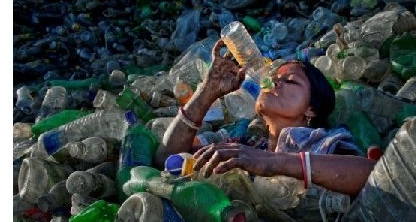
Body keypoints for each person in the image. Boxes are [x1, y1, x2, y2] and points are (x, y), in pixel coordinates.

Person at [155, 40, 376, 196]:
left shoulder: (324, 141)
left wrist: (272, 162)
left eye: (289, 81)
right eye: (272, 78)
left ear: (311, 109)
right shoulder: (242, 140)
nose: (273, 83)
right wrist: (207, 91)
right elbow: (167, 159)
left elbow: (371, 174)